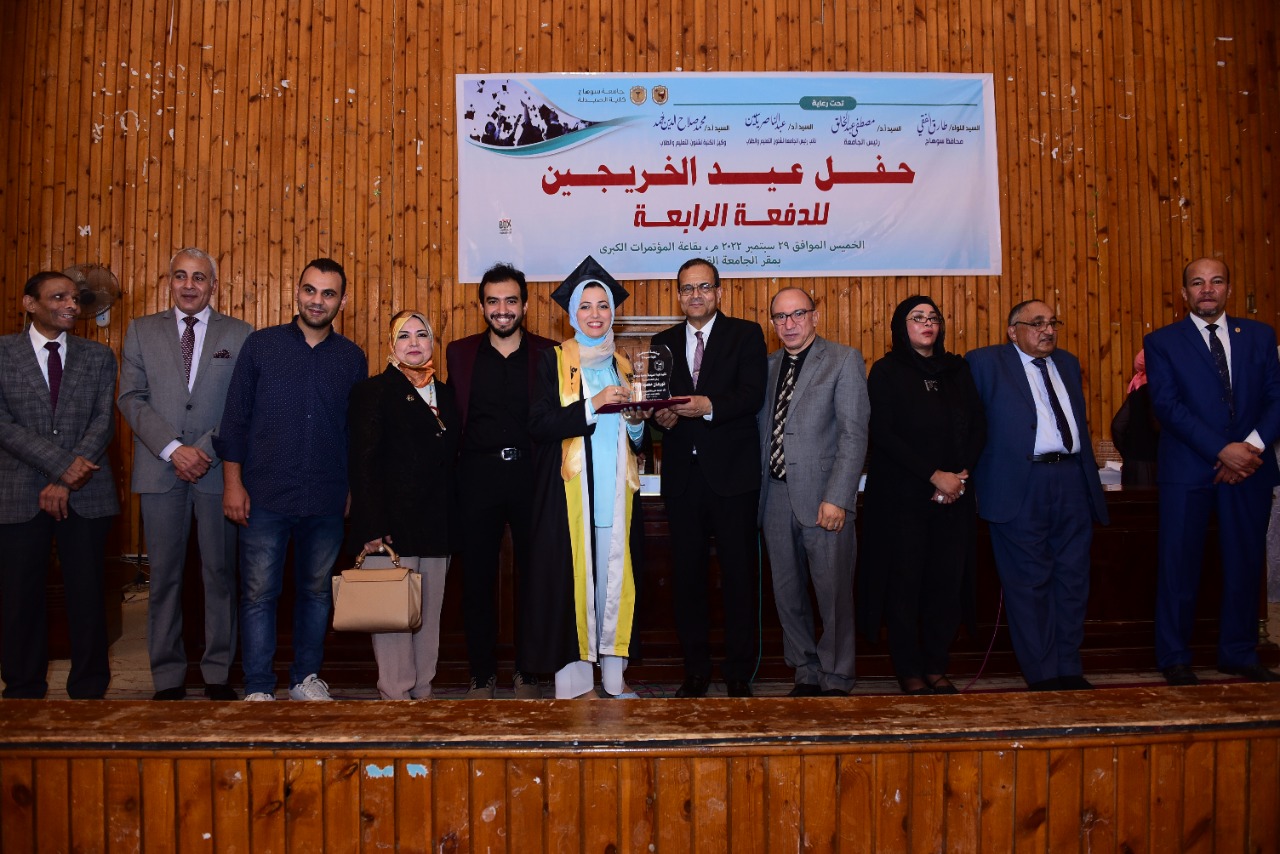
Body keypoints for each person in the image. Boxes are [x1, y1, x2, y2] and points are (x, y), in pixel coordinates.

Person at [215, 258, 368, 701]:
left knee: (317, 593)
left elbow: (355, 432)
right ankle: (259, 687)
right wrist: (232, 484)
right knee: (258, 594)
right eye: (310, 290)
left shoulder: (351, 358)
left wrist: (352, 490)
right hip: (264, 494)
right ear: (296, 292)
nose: (317, 301)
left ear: (342, 301)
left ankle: (305, 679)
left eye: (328, 293)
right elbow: (235, 420)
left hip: (325, 497)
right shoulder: (261, 346)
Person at [117, 248, 252, 701]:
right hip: (160, 470)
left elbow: (242, 404)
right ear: (170, 282)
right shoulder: (141, 330)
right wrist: (174, 450)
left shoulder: (240, 333)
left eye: (199, 277)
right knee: (164, 579)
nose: (189, 285)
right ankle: (168, 677)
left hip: (217, 472)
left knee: (220, 575)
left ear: (214, 285)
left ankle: (217, 673)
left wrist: (203, 451)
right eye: (180, 276)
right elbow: (131, 397)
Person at [1144, 257, 1280, 685]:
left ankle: (1238, 653)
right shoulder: (1162, 342)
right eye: (1197, 282)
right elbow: (1167, 406)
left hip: (1251, 469)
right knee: (1179, 566)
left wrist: (1249, 450)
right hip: (1188, 469)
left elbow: (1276, 398)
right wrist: (1222, 451)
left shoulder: (1260, 336)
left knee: (1245, 563)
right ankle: (1174, 657)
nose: (1207, 289)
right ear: (1184, 292)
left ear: (1228, 289)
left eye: (1216, 281)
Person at [967, 299, 1109, 691]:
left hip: (1071, 481)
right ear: (1013, 331)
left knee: (1073, 579)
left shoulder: (1067, 363)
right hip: (1020, 484)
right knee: (1029, 584)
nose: (1048, 330)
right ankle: (1044, 673)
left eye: (1052, 322)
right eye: (1037, 323)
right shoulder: (985, 363)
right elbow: (968, 424)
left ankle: (1069, 667)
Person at [526, 256, 650, 699]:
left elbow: (637, 440)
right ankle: (575, 686)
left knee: (614, 587)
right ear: (572, 313)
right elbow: (538, 425)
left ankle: (615, 681)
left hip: (617, 498)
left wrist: (636, 422)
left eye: (603, 306)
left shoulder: (624, 364)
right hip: (571, 498)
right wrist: (592, 405)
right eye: (585, 305)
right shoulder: (553, 361)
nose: (595, 314)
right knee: (576, 589)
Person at [0, 271, 119, 699]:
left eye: (74, 298)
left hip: (86, 492)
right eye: (58, 297)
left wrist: (67, 479)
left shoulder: (99, 356)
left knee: (87, 594)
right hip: (17, 493)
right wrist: (62, 467)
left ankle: (88, 688)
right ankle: (22, 688)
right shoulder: (2, 353)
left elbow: (103, 422)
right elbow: (2, 424)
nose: (71, 305)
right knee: (19, 598)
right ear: (30, 304)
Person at [651, 258, 766, 698]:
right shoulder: (662, 343)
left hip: (733, 477)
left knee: (739, 576)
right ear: (678, 295)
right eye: (687, 289)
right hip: (683, 478)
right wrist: (661, 417)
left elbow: (752, 395)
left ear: (719, 291)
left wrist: (708, 406)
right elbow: (657, 404)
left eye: (703, 287)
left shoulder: (746, 335)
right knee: (688, 579)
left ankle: (738, 672)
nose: (695, 295)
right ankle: (695, 671)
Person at [860, 296, 986, 695]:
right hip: (903, 501)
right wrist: (934, 477)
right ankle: (909, 669)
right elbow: (884, 434)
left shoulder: (957, 370)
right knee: (905, 586)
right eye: (917, 318)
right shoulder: (887, 371)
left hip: (954, 499)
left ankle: (935, 665)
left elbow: (977, 425)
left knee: (945, 585)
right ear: (902, 326)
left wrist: (959, 477)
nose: (927, 323)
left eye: (933, 317)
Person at [444, 263, 556, 699]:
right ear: (482, 307)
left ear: (525, 305)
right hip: (476, 475)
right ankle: (481, 673)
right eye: (493, 301)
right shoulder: (459, 353)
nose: (502, 309)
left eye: (511, 300)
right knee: (476, 579)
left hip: (533, 475)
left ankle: (529, 671)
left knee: (535, 576)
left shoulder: (549, 353)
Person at [758, 288, 869, 697]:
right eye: (780, 317)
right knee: (787, 595)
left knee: (833, 594)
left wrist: (838, 497)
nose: (789, 324)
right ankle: (805, 671)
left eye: (798, 314)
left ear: (815, 317)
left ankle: (836, 676)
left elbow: (854, 434)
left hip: (825, 497)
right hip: (774, 497)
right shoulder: (767, 367)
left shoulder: (843, 359)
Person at [347, 311, 458, 699]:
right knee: (393, 618)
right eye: (404, 336)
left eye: (421, 335)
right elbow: (362, 463)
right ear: (392, 345)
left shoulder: (446, 394)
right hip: (390, 529)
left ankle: (422, 693)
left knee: (428, 616)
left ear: (432, 344)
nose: (414, 343)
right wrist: (371, 527)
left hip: (437, 525)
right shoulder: (373, 392)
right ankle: (395, 696)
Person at [1110, 350, 1160, 487]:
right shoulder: (1159, 391)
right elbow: (1157, 425)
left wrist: (1128, 454)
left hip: (1132, 466)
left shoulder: (1137, 392)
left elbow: (1117, 426)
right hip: (1154, 466)